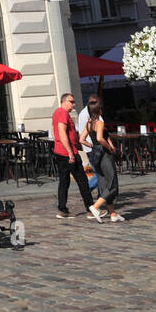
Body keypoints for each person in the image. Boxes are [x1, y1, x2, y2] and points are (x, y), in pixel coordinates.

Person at [53, 91, 104, 222]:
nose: (74, 104)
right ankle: (91, 208)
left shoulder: (58, 113)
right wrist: (71, 152)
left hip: (61, 152)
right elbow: (62, 134)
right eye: (71, 101)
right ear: (64, 102)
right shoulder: (62, 113)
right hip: (67, 153)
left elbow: (57, 134)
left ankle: (63, 210)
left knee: (64, 182)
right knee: (82, 181)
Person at [80, 95, 124, 223]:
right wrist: (108, 147)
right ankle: (95, 206)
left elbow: (81, 139)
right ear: (99, 110)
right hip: (104, 155)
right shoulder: (99, 122)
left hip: (95, 155)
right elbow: (100, 138)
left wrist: (92, 146)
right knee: (113, 186)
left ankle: (113, 214)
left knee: (104, 185)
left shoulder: (89, 123)